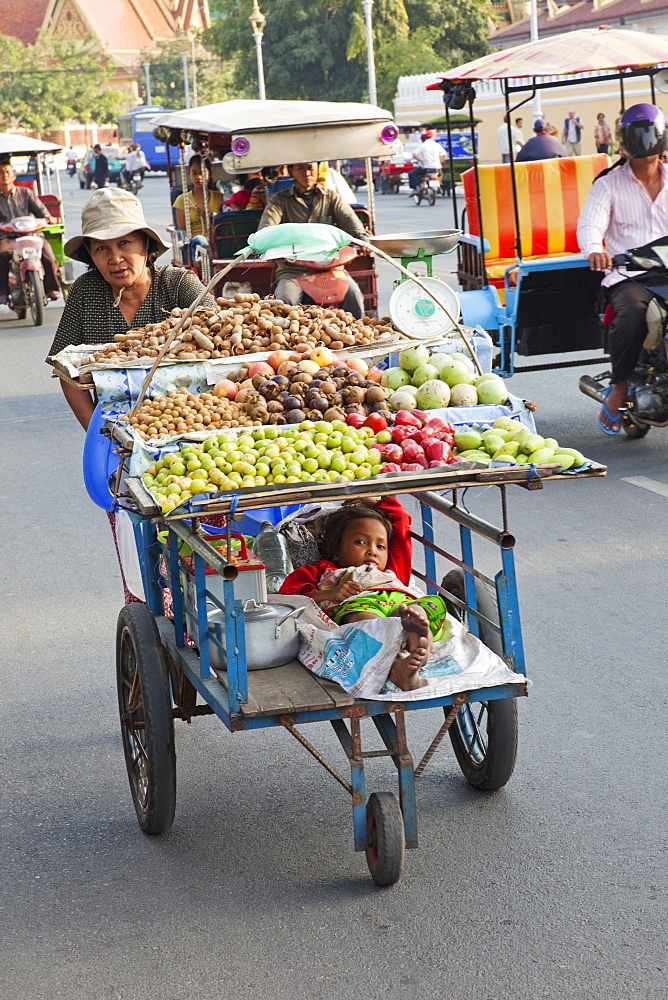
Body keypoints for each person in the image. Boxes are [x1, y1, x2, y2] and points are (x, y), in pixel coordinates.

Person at [46, 187, 216, 431]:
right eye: (101, 248)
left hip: (191, 419)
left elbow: (222, 337)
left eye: (124, 243)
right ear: (91, 255)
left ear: (145, 245)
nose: (115, 258)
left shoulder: (178, 284)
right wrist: (101, 433)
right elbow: (65, 371)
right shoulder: (86, 291)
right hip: (116, 423)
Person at [279, 499, 450, 690]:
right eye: (360, 542)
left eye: (380, 546)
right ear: (335, 551)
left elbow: (400, 519)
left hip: (400, 604)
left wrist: (371, 501)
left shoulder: (393, 568)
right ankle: (398, 668)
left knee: (425, 606)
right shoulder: (322, 570)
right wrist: (329, 594)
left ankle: (416, 640)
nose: (372, 551)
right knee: (365, 622)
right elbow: (287, 595)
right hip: (360, 606)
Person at [577, 104, 668, 434]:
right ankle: (617, 388)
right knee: (630, 315)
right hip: (629, 275)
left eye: (653, 155)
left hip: (667, 271)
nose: (647, 163)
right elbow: (589, 224)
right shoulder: (608, 184)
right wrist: (596, 250)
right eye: (640, 156)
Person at [258, 160, 368, 317]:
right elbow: (266, 230)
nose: (307, 173)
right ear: (290, 171)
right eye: (300, 169)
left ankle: (361, 336)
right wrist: (266, 244)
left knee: (354, 294)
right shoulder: (279, 200)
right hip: (293, 271)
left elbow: (351, 223)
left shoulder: (331, 197)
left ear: (317, 170)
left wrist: (363, 239)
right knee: (285, 300)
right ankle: (288, 340)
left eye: (310, 168)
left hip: (330, 267)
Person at [0, 161, 61, 303]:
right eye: (1, 173)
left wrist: (48, 218)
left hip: (31, 235)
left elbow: (41, 211)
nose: (4, 175)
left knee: (50, 258)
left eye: (7, 172)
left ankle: (51, 288)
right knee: (2, 257)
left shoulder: (26, 193)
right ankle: (2, 292)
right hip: (8, 237)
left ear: (14, 176)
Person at [172, 155, 223, 237]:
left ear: (210, 174)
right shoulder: (181, 200)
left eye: (202, 173)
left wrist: (209, 214)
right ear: (189, 174)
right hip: (194, 243)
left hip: (217, 240)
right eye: (194, 173)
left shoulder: (219, 197)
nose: (198, 177)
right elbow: (183, 232)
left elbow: (224, 223)